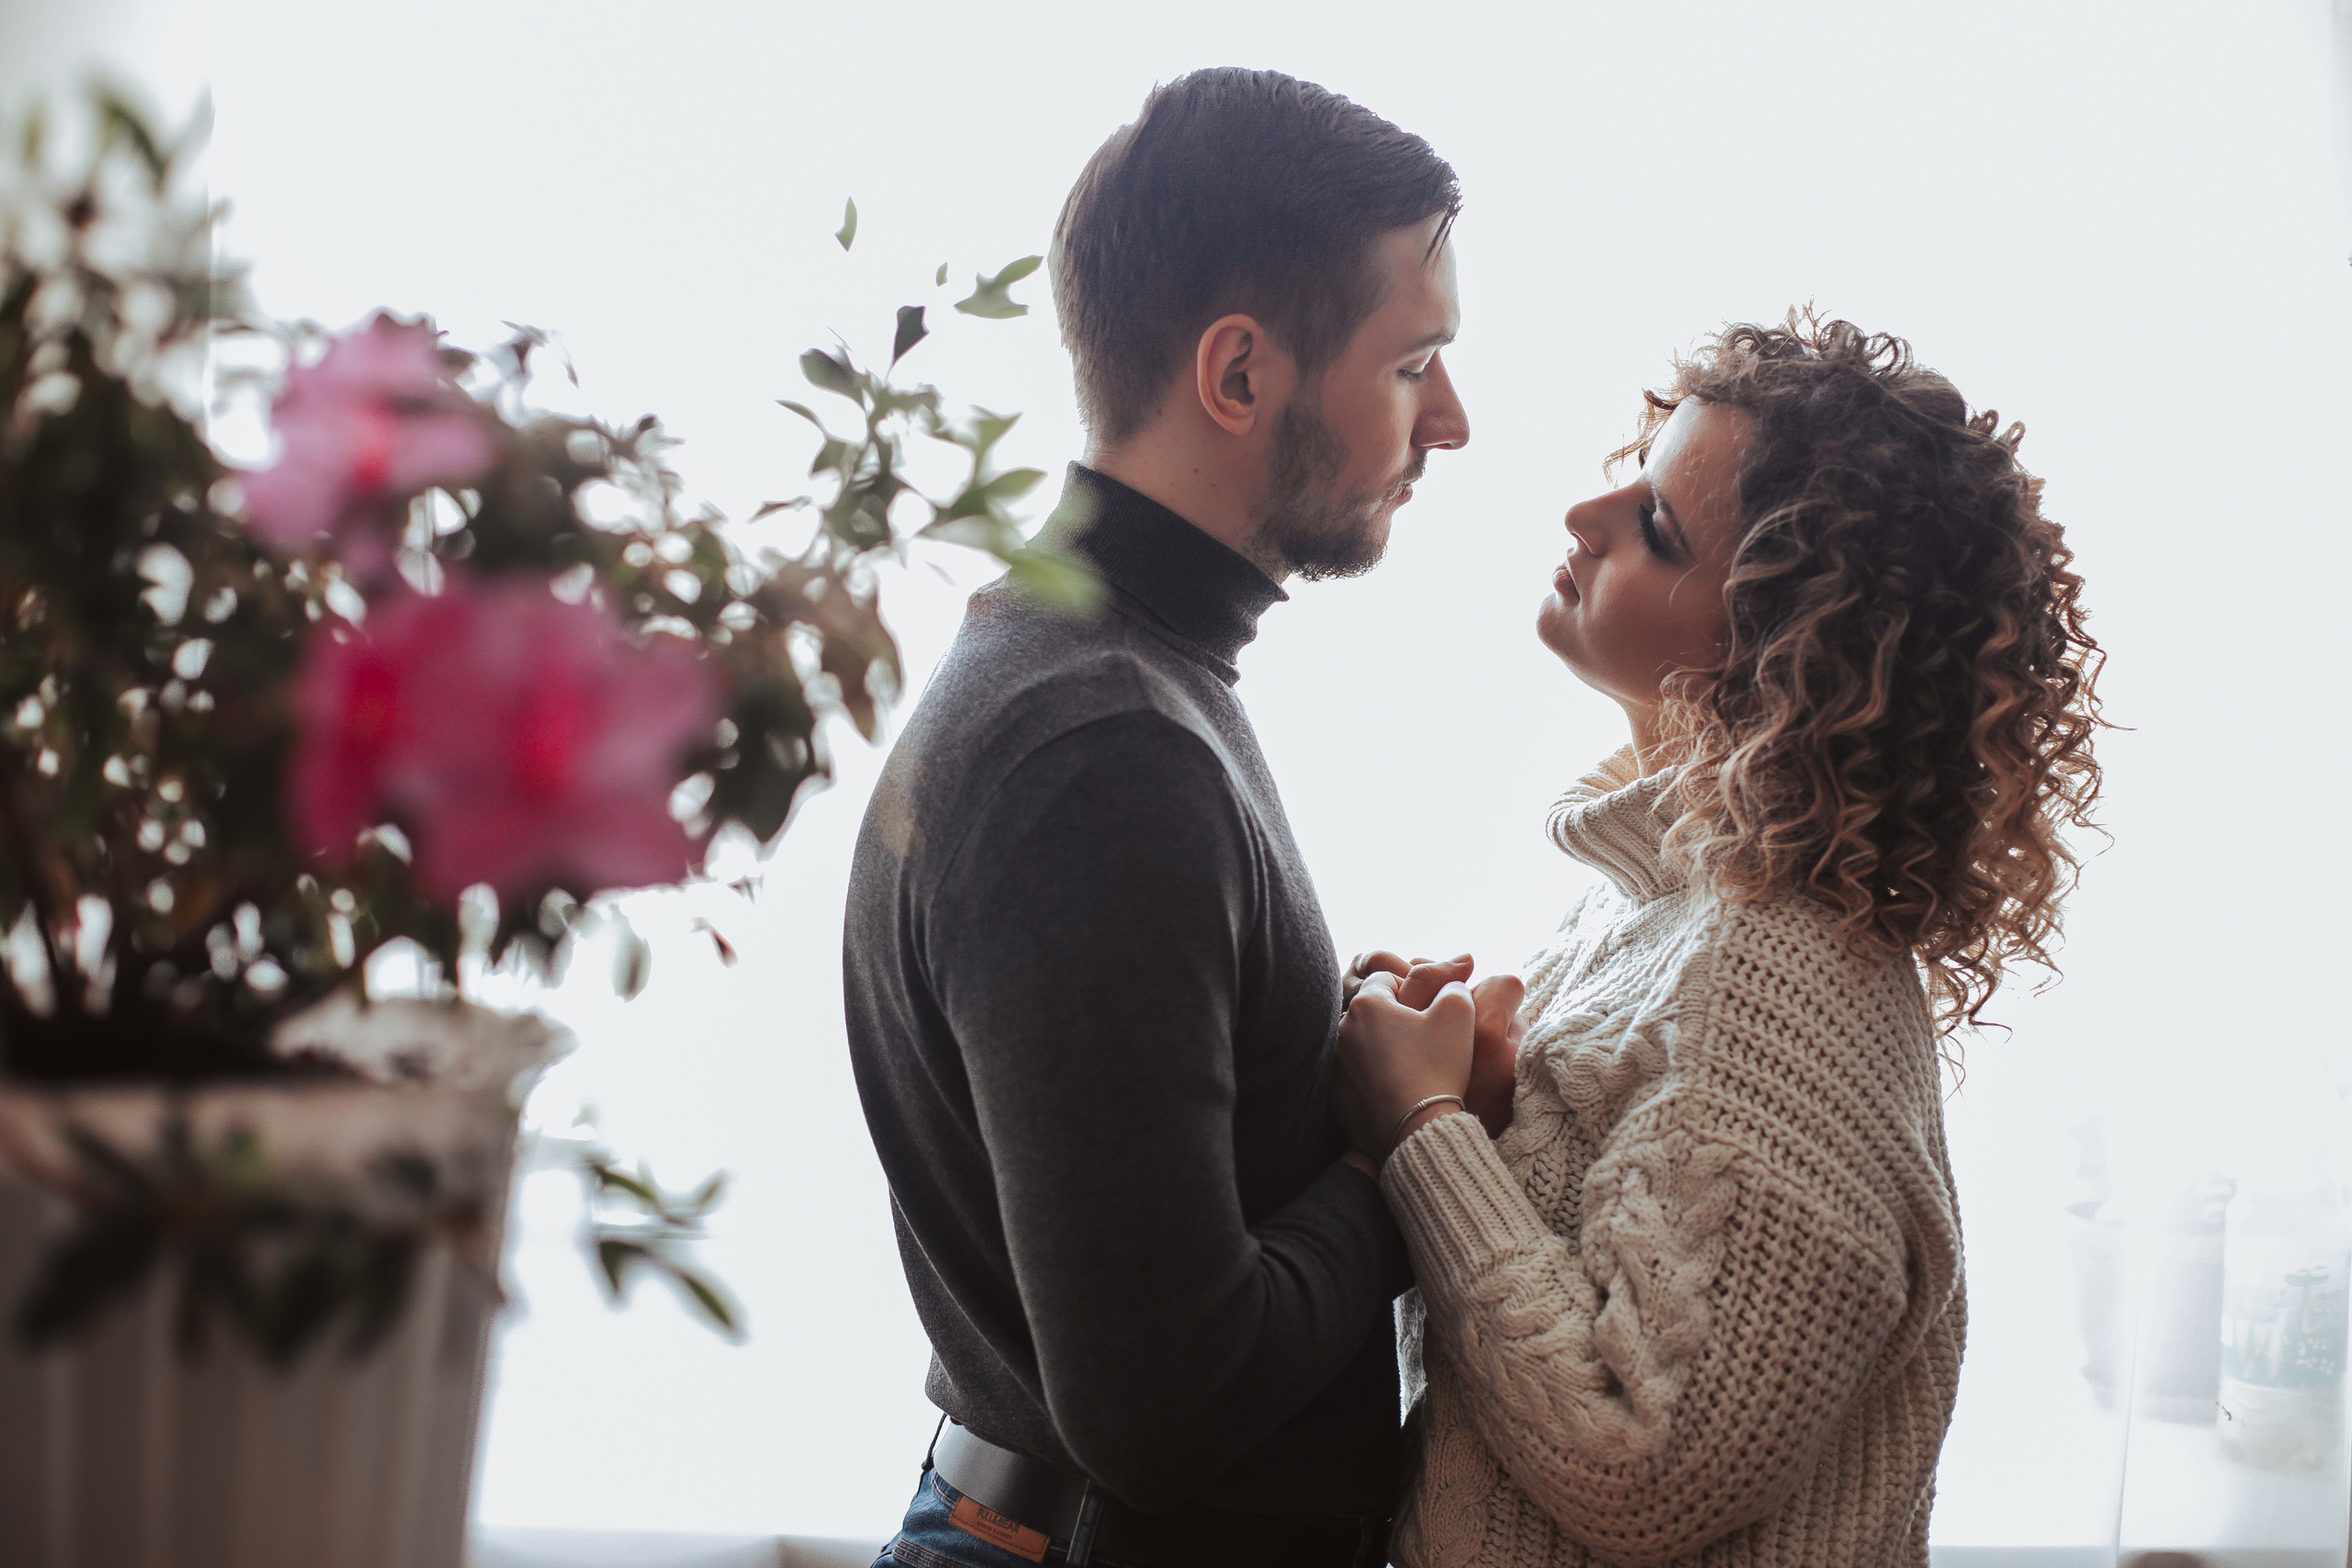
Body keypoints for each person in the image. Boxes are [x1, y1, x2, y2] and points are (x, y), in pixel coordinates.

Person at [1330, 315, 2105, 1568]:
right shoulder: (1654, 915)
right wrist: (1475, 1114)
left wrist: (1425, 1141)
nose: (1586, 513)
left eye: (1657, 531)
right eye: (1633, 477)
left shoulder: (1782, 977)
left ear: (1781, 665)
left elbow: (1652, 1472)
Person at [843, 67, 1480, 1568]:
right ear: (1241, 375)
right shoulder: (1103, 746)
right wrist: (1412, 1145)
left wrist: (1322, 1060)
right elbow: (1163, 1407)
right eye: (1414, 363)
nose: (1453, 420)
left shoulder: (1092, 669)